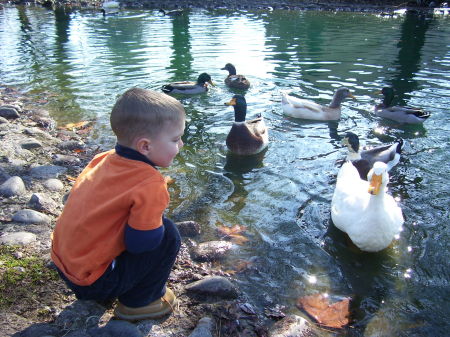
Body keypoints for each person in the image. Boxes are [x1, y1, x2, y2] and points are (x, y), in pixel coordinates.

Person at [51, 88, 185, 321]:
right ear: (145, 146)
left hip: (64, 265)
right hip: (93, 283)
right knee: (168, 234)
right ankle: (140, 303)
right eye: (175, 139)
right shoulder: (150, 183)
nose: (181, 145)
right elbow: (141, 245)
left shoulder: (102, 159)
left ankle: (112, 280)